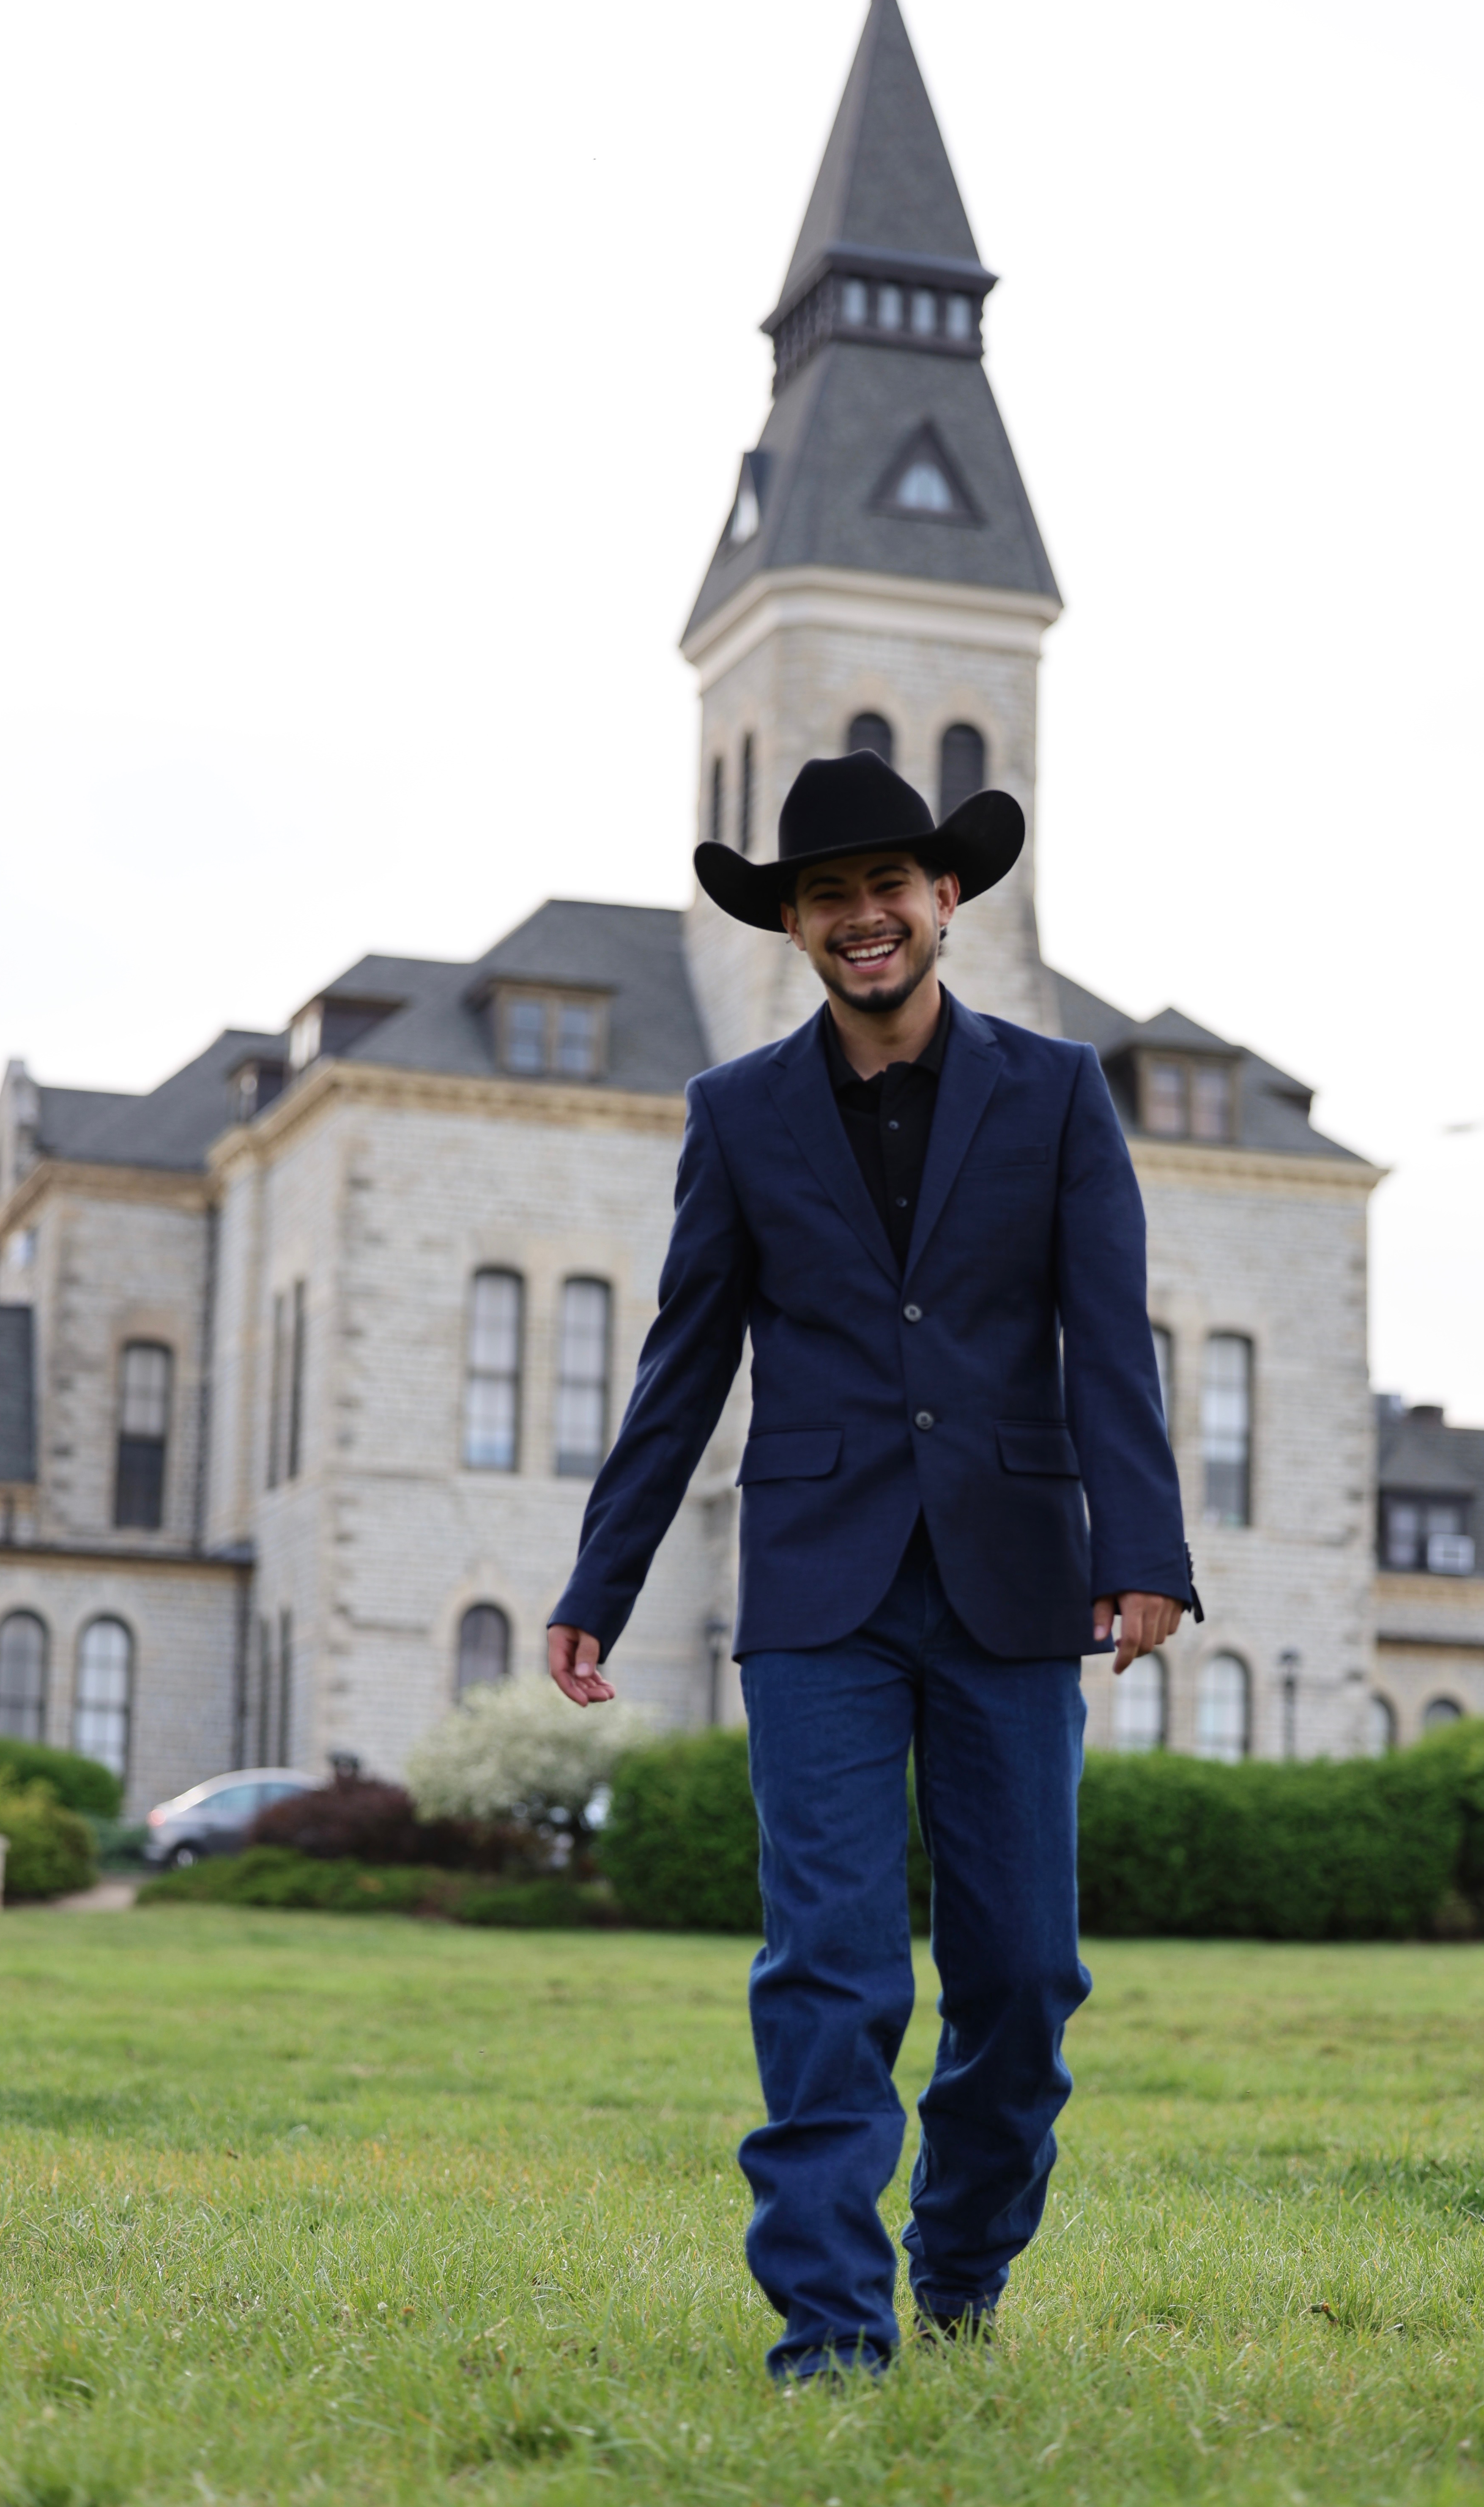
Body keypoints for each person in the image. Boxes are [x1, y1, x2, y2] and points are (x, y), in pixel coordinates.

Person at [548, 749, 1197, 2381]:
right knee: (826, 1969)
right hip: (820, 1592)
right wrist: (599, 1583)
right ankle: (832, 2337)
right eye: (826, 895)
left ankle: (961, 2269)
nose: (862, 918)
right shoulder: (739, 1111)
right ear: (794, 924)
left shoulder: (1056, 1093)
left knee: (1025, 1982)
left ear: (945, 900)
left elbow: (1107, 1342)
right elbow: (682, 1363)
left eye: (887, 887)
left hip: (1013, 1580)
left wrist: (1148, 1555)